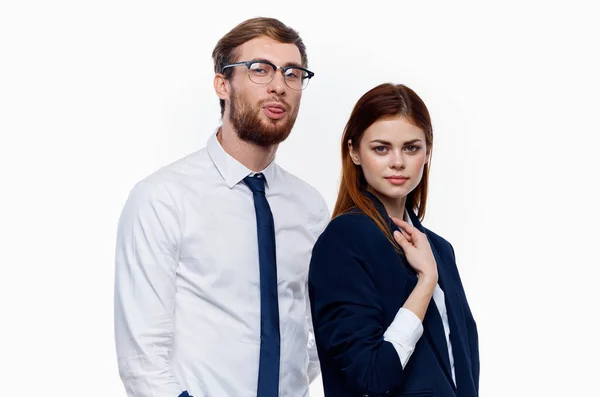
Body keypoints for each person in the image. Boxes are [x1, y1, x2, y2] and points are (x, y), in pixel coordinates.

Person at [114, 17, 328, 397]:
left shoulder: (309, 207)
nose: (280, 85)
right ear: (222, 83)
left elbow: (314, 332)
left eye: (293, 73)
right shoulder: (163, 198)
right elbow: (142, 359)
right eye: (260, 70)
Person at [308, 83, 479, 397]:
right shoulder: (344, 240)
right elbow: (371, 377)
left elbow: (461, 369)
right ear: (354, 152)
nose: (398, 162)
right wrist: (425, 282)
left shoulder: (438, 249)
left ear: (427, 152)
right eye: (381, 148)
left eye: (411, 148)